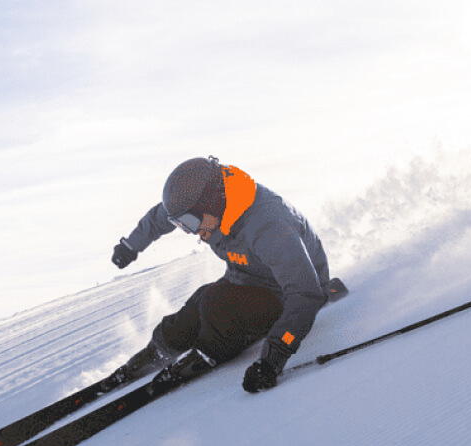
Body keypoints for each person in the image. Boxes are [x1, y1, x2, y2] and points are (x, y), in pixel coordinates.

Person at [106, 156, 345, 394]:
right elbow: (160, 217)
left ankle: (207, 352)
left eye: (189, 222)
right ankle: (158, 350)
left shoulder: (268, 225)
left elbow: (305, 293)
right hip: (247, 278)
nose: (190, 231)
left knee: (218, 306)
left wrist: (272, 360)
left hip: (287, 294)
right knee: (200, 302)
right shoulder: (213, 210)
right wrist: (130, 246)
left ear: (211, 205)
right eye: (182, 224)